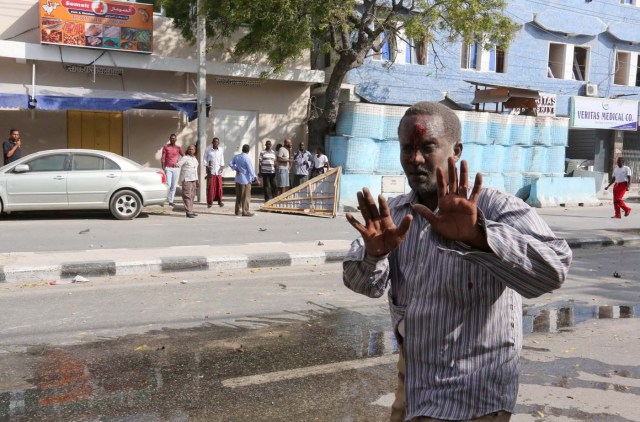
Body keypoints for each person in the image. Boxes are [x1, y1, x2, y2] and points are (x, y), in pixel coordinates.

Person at [342, 102, 572, 422]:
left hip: (475, 392)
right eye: (407, 148)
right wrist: (374, 254)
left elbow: (554, 269)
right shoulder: (394, 216)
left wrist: (479, 236)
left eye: (427, 147)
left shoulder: (495, 207)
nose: (415, 159)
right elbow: (363, 284)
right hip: (415, 383)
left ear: (456, 150)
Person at [230, 144, 258, 217]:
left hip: (238, 179)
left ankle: (237, 211)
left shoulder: (237, 156)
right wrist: (255, 178)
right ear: (248, 150)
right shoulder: (247, 158)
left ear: (242, 149)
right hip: (245, 180)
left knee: (238, 196)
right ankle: (245, 211)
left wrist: (236, 168)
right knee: (246, 196)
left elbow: (230, 163)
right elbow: (250, 169)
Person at [160, 134, 184, 207]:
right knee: (168, 185)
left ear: (176, 139)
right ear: (169, 139)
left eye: (174, 138)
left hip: (175, 169)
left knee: (173, 186)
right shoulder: (166, 147)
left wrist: (179, 164)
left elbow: (184, 156)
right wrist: (163, 167)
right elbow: (163, 158)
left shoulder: (178, 148)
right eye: (171, 138)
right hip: (168, 168)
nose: (173, 139)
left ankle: (171, 201)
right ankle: (163, 200)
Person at [176, 145, 199, 218]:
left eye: (192, 149)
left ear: (195, 151)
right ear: (187, 150)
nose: (191, 150)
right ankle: (188, 212)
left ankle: (191, 210)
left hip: (194, 179)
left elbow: (195, 170)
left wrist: (197, 180)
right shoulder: (185, 158)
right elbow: (178, 164)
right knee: (187, 196)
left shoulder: (194, 159)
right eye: (189, 149)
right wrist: (174, 164)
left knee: (192, 196)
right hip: (187, 179)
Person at [204, 137, 225, 208]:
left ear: (218, 143)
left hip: (218, 171)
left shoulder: (221, 150)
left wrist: (222, 166)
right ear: (212, 142)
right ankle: (210, 202)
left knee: (219, 187)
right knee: (211, 187)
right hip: (211, 171)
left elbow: (222, 159)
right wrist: (207, 166)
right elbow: (205, 159)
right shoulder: (208, 149)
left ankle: (220, 201)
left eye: (217, 142)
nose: (216, 143)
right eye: (214, 142)